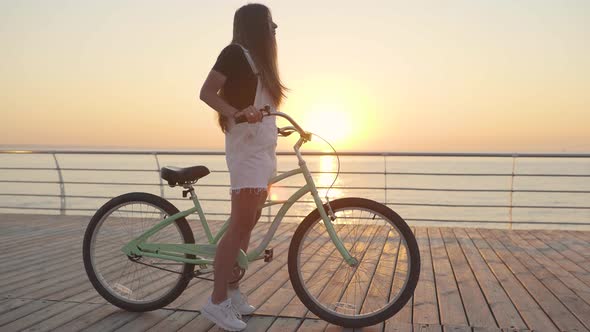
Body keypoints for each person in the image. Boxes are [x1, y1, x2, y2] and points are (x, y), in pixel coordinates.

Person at [198, 3, 286, 331]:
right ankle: (216, 301)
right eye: (269, 23)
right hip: (246, 153)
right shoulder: (235, 53)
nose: (275, 28)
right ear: (254, 26)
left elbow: (260, 108)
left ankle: (233, 291)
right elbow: (207, 93)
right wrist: (236, 112)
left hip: (263, 152)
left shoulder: (261, 65)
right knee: (238, 226)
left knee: (248, 224)